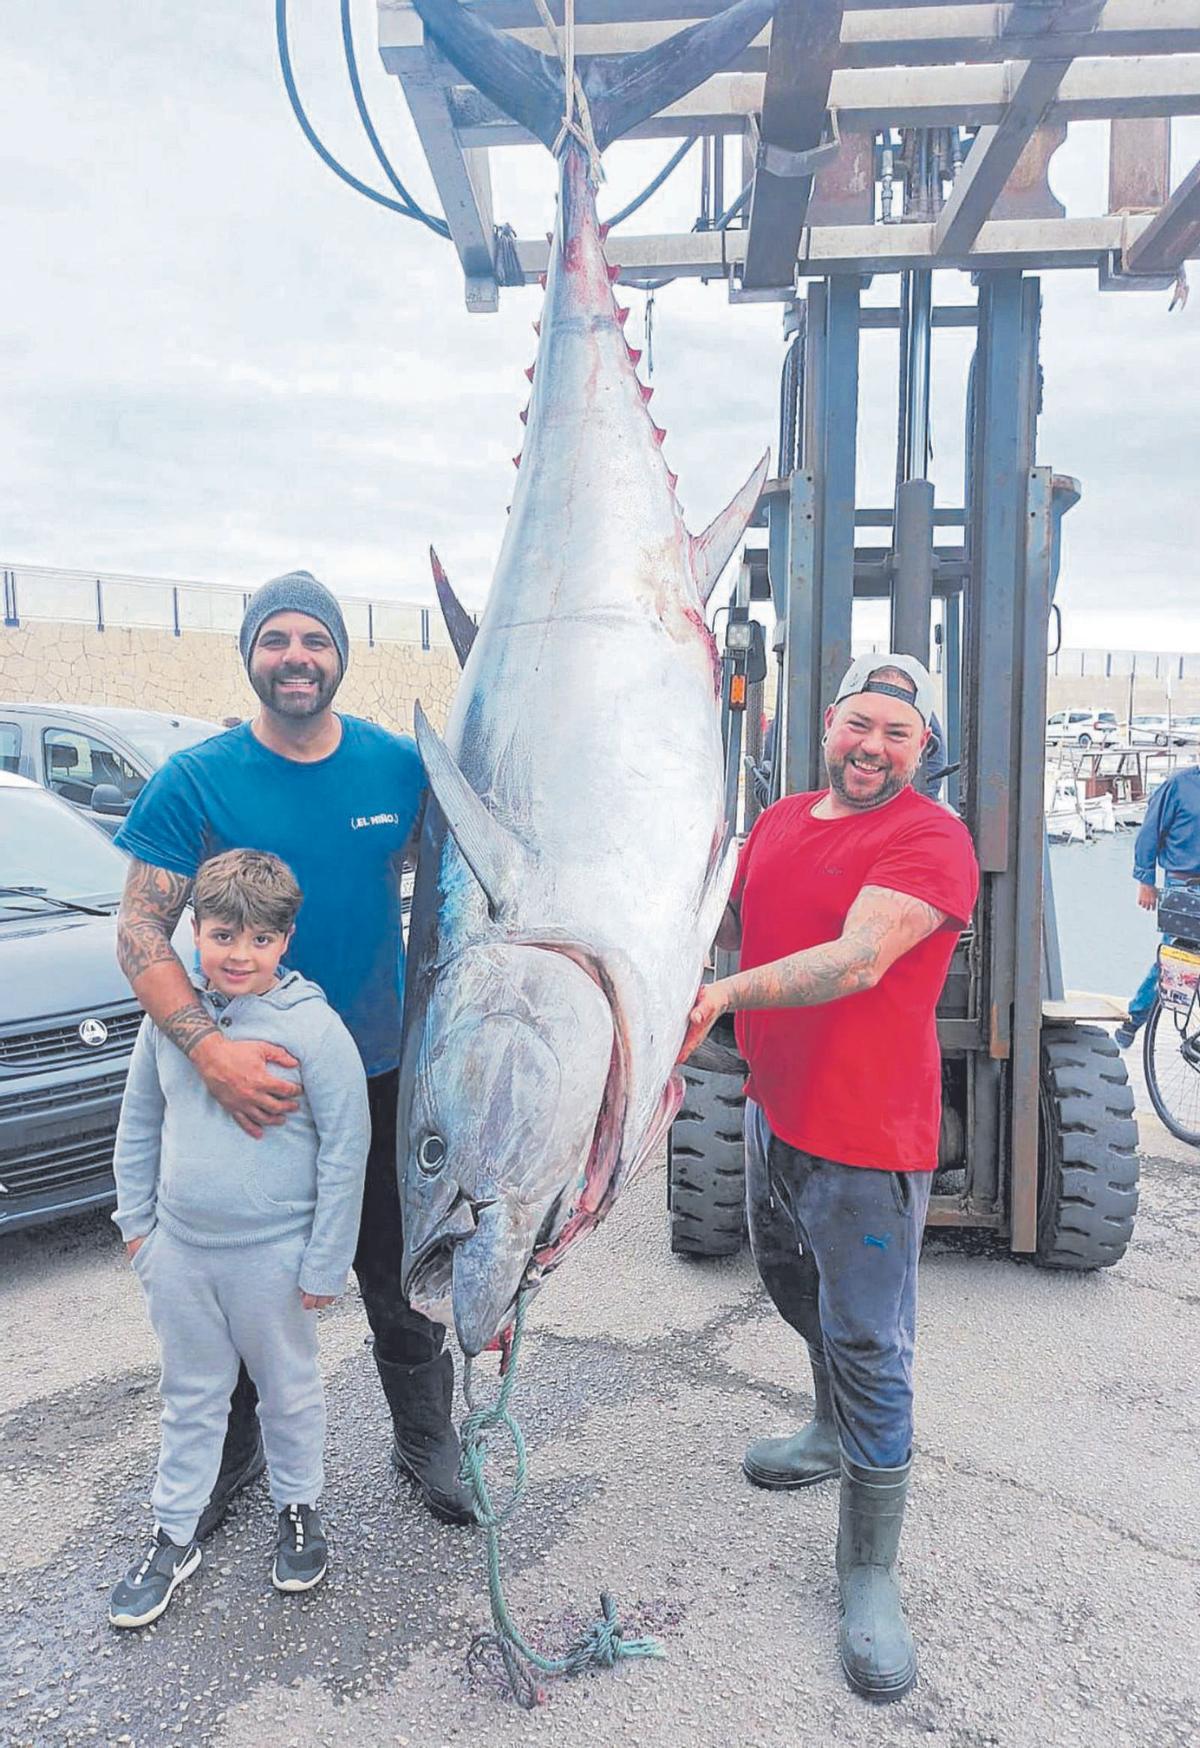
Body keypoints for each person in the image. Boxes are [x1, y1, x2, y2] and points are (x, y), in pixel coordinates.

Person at [114, 570, 473, 1530]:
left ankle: (425, 1436)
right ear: (249, 656)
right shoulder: (196, 779)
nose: (297, 659)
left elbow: (462, 884)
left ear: (340, 656)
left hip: (381, 1070)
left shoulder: (398, 770)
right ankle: (234, 1451)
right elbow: (142, 937)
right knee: (241, 1275)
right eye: (275, 641)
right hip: (240, 1082)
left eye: (314, 641)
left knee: (396, 1270)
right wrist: (206, 1054)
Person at [679, 653, 979, 1702]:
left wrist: (713, 998)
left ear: (922, 749)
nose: (872, 747)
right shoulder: (779, 821)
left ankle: (867, 1571)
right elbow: (736, 922)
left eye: (897, 734)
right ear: (828, 726)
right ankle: (824, 1425)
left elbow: (856, 960)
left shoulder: (931, 838)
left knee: (870, 1339)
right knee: (787, 1284)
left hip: (866, 1134)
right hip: (776, 1109)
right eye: (860, 724)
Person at [108, 850, 369, 1627]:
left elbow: (345, 1149)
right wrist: (139, 1233)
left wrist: (325, 1259)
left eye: (259, 941)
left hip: (275, 1260)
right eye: (222, 936)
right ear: (194, 930)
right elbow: (139, 1124)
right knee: (189, 1398)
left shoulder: (315, 1031)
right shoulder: (169, 1022)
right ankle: (173, 1532)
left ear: (285, 940)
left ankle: (298, 1508)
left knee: (288, 1394)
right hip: (181, 1256)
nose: (239, 956)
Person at [1114, 763, 1200, 1048]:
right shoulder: (1179, 785)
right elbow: (1149, 832)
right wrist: (1145, 880)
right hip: (1183, 886)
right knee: (1174, 960)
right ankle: (1134, 1020)